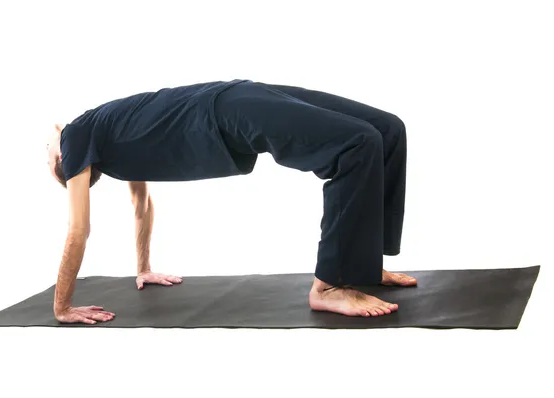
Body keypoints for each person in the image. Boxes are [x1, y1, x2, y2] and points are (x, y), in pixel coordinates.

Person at [46, 79, 417, 325]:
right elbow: (79, 229)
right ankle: (330, 286)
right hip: (224, 112)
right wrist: (62, 307)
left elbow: (141, 207)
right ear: (65, 160)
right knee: (356, 144)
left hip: (234, 94)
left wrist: (143, 269)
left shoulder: (111, 146)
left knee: (387, 130)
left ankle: (364, 264)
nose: (46, 148)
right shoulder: (77, 137)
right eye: (49, 158)